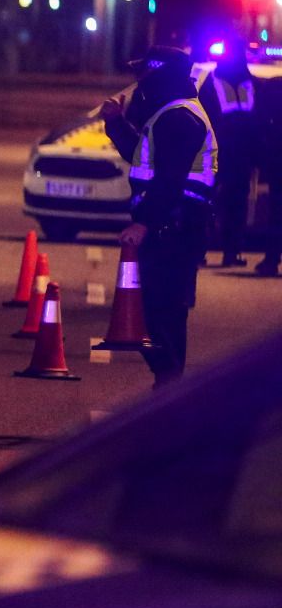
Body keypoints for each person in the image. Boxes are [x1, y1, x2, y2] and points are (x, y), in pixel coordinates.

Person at [101, 45, 217, 387]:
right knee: (158, 311)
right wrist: (116, 124)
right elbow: (142, 158)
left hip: (174, 229)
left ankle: (170, 389)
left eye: (144, 75)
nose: (139, 83)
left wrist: (144, 222)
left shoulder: (179, 117)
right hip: (172, 228)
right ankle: (168, 387)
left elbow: (169, 180)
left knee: (158, 313)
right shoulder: (169, 114)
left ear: (159, 74)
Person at [197, 47, 258, 267]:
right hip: (217, 153)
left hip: (238, 154)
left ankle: (230, 252)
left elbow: (257, 120)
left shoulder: (249, 82)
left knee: (233, 204)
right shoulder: (213, 83)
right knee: (207, 202)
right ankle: (200, 250)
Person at [256, 73, 282, 278]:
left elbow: (262, 121)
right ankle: (271, 258)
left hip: (278, 159)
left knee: (278, 212)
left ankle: (271, 259)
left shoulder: (274, 86)